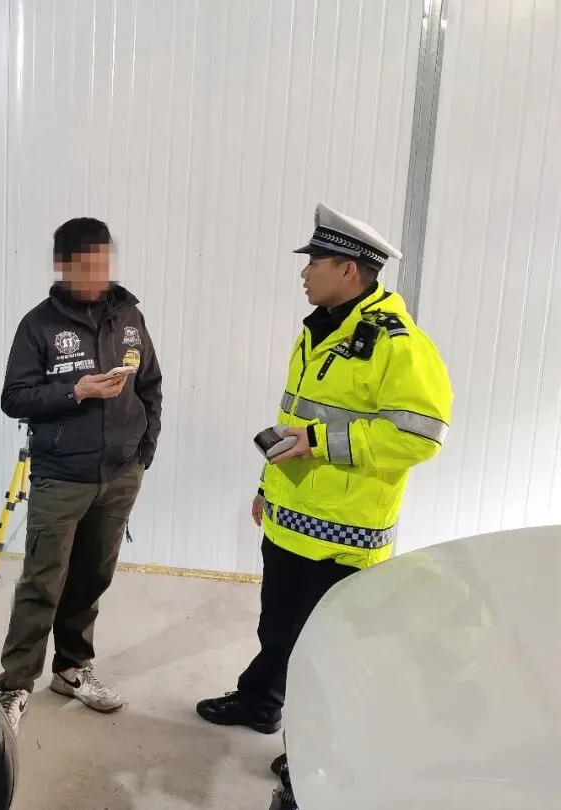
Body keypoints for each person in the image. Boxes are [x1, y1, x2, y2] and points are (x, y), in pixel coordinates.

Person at [194, 203, 453, 775]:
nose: (304, 272)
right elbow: (293, 420)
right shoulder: (319, 331)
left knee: (328, 653)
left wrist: (319, 444)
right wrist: (268, 486)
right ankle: (261, 703)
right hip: (291, 520)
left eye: (314, 262)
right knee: (277, 630)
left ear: (349, 269)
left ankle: (322, 760)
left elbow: (419, 436)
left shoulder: (399, 344)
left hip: (343, 537)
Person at [0, 217, 163, 733]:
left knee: (92, 576)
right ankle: (14, 684)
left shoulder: (129, 316)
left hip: (121, 473)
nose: (98, 275)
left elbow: (151, 385)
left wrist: (144, 451)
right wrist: (76, 391)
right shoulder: (39, 325)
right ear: (62, 266)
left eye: (104, 263)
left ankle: (71, 669)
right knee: (43, 580)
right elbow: (14, 398)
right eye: (87, 266)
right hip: (61, 477)